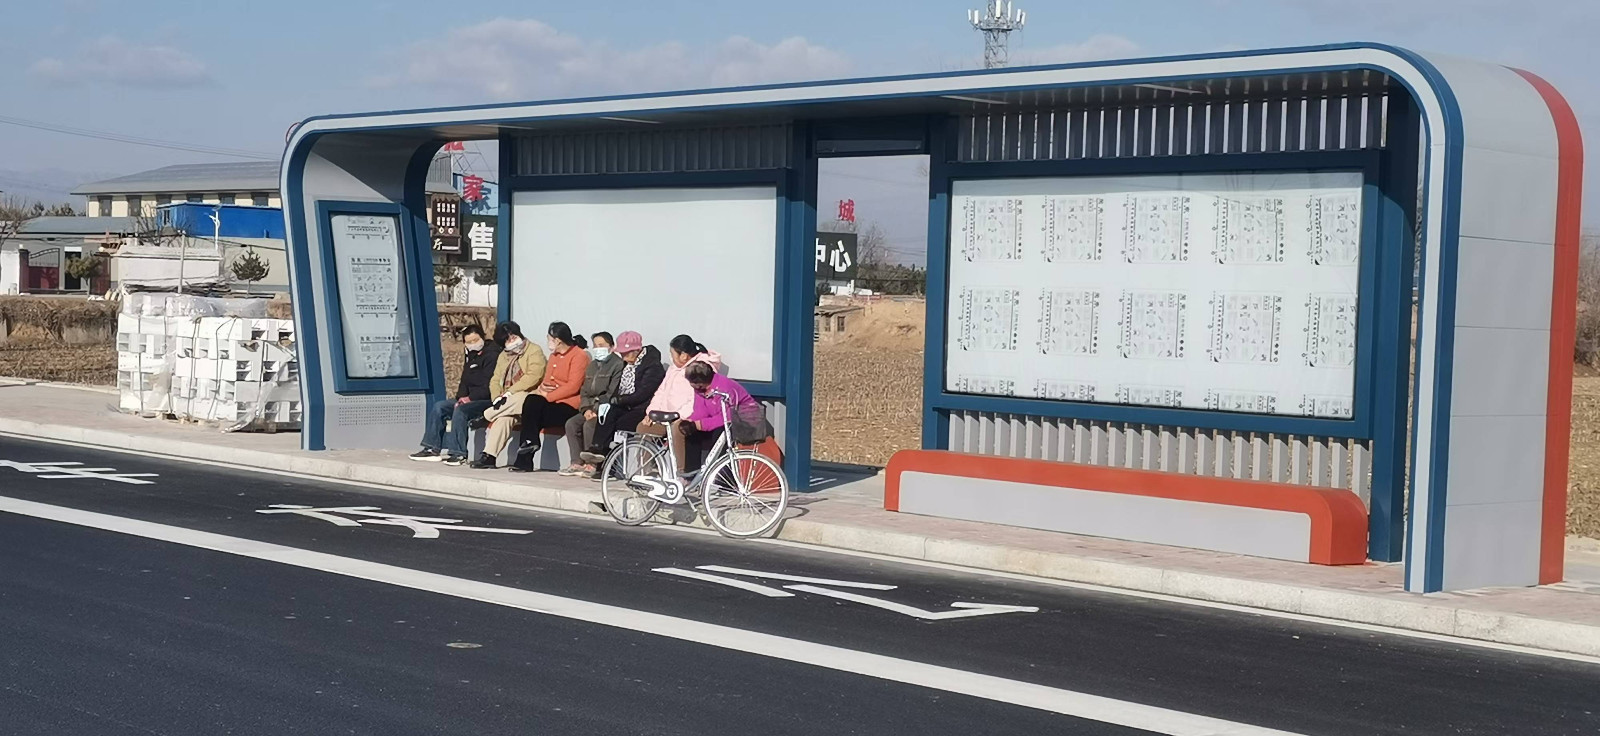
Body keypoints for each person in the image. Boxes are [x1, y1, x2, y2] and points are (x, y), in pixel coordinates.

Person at [507, 321, 591, 472]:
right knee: (531, 402)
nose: (548, 342)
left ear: (558, 340)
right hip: (551, 401)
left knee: (532, 417)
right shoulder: (554, 356)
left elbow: (573, 386)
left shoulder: (579, 355)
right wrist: (543, 389)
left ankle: (525, 457)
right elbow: (547, 381)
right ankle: (529, 446)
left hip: (568, 404)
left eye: (549, 339)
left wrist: (549, 395)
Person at [411, 325, 501, 465]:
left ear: (482, 337)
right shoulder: (470, 356)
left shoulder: (492, 355)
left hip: (485, 400)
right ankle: (431, 448)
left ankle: (458, 453)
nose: (473, 344)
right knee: (440, 407)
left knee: (461, 410)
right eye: (469, 342)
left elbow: (490, 385)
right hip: (469, 399)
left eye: (475, 340)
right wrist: (460, 398)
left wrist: (469, 399)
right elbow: (465, 381)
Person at [581, 335, 666, 480]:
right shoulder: (627, 365)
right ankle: (597, 450)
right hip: (625, 405)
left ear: (636, 350)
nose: (623, 356)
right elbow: (618, 389)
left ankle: (606, 464)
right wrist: (611, 401)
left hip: (641, 408)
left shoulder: (652, 366)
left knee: (615, 424)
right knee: (606, 414)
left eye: (625, 353)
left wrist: (618, 400)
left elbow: (643, 394)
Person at [637, 335, 720, 477]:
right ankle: (645, 471)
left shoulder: (701, 369)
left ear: (684, 356)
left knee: (678, 428)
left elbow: (697, 399)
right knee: (644, 427)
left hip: (688, 415)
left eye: (673, 354)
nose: (671, 358)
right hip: (666, 414)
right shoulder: (673, 369)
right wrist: (651, 412)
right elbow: (661, 392)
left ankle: (681, 473)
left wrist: (679, 415)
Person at [471, 321, 548, 469]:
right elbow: (495, 379)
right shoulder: (503, 356)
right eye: (507, 338)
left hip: (530, 398)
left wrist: (509, 392)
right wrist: (496, 398)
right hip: (507, 404)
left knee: (520, 397)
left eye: (514, 335)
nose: (512, 339)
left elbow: (534, 375)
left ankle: (486, 416)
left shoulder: (533, 350)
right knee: (503, 419)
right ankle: (489, 456)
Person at [679, 360, 765, 476]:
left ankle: (721, 478)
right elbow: (700, 409)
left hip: (743, 421)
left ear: (699, 382)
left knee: (720, 435)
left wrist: (701, 424)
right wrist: (692, 422)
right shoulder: (700, 389)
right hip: (723, 420)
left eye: (691, 382)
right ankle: (691, 476)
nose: (690, 385)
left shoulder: (725, 387)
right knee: (692, 434)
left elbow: (728, 416)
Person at [559, 331, 625, 477]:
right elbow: (584, 391)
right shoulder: (592, 366)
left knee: (590, 425)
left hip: (605, 410)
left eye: (602, 345)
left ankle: (592, 463)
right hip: (590, 408)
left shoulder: (617, 365)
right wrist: (586, 409)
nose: (598, 349)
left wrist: (596, 409)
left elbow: (611, 392)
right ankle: (577, 462)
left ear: (611, 346)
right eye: (595, 345)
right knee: (572, 424)